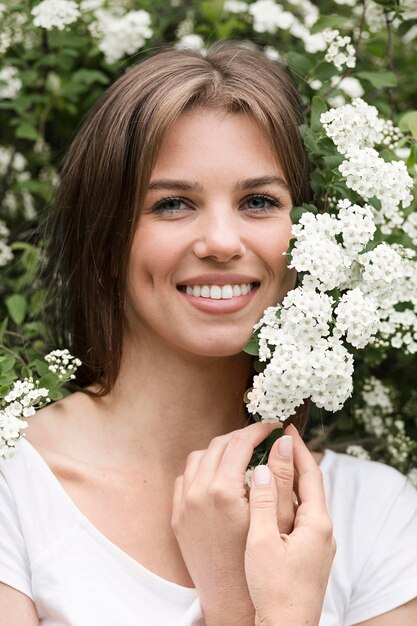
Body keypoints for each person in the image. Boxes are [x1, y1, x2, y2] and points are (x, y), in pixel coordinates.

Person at [0, 42, 416, 626]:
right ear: (106, 242)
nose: (221, 241)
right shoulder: (15, 486)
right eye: (172, 203)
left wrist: (260, 606)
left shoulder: (375, 513)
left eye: (258, 201)